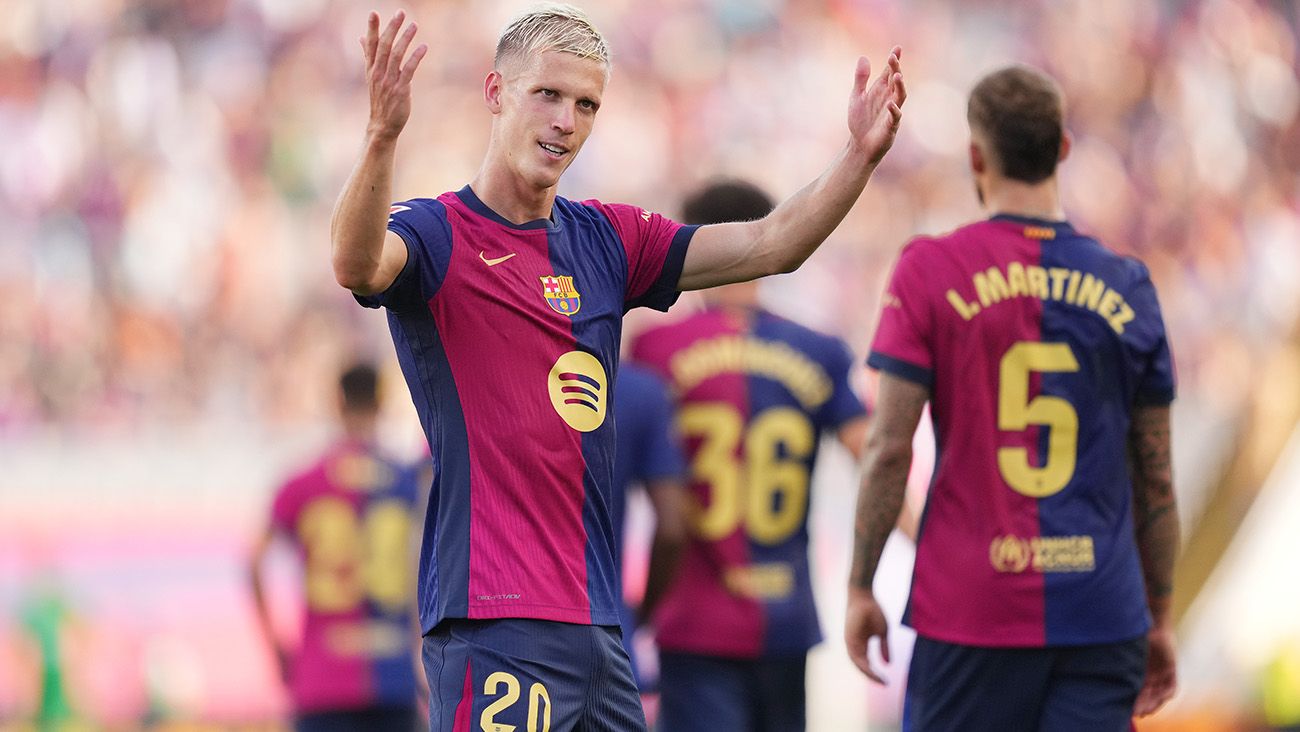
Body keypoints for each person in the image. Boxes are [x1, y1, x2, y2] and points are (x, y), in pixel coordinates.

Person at [330, 4, 905, 729]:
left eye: (586, 104)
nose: (566, 120)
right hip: (496, 622)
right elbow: (356, 261)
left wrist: (858, 158)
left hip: (603, 634)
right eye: (548, 94)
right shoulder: (437, 234)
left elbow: (770, 247)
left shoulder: (609, 239)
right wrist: (382, 136)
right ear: (495, 92)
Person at [845, 65, 1179, 731]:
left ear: (976, 155)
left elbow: (887, 448)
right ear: (1063, 148)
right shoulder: (1130, 285)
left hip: (969, 611)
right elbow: (1156, 475)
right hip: (1101, 611)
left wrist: (861, 584)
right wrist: (1160, 614)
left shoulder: (929, 271)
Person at [630, 180, 872, 732]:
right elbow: (877, 456)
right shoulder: (820, 349)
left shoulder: (656, 349)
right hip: (788, 617)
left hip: (693, 620)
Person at [248, 363, 426, 732]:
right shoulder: (407, 482)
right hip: (394, 678)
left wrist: (278, 648)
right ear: (381, 402)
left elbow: (254, 560)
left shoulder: (303, 483)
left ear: (338, 403)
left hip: (321, 680)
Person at [610, 358, 689, 695]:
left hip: (500, 628)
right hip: (604, 626)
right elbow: (673, 527)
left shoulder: (487, 379)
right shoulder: (635, 388)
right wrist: (643, 612)